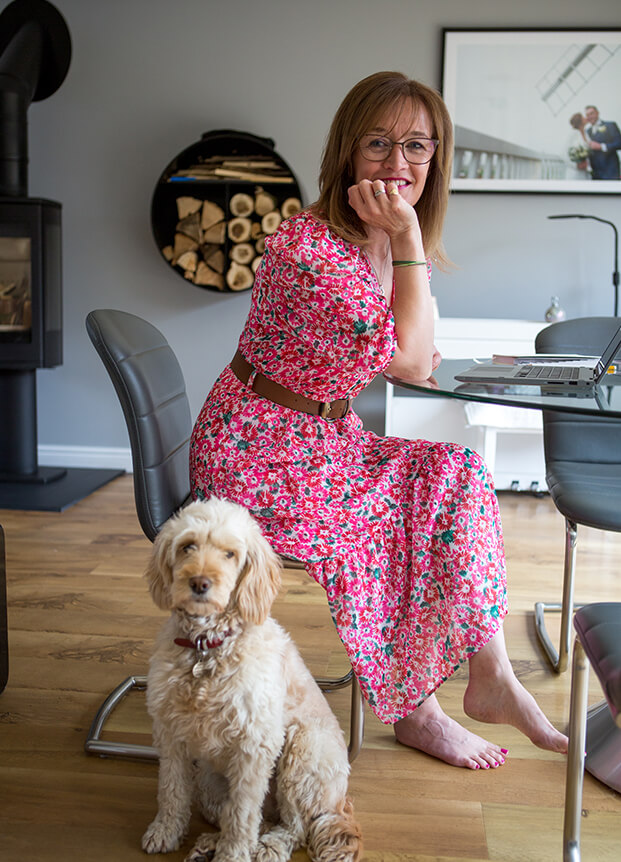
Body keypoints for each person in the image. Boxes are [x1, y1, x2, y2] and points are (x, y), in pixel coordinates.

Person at [190, 71, 568, 770]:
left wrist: (400, 243)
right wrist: (408, 237)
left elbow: (415, 352)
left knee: (452, 471)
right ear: (345, 153)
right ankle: (415, 710)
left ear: (437, 157)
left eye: (417, 147)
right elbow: (416, 363)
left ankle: (490, 676)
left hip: (321, 439)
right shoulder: (310, 251)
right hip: (257, 452)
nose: (398, 165)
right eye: (379, 144)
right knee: (388, 517)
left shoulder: (373, 240)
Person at [584, 104, 621, 180]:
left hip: (610, 172)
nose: (590, 116)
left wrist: (601, 146)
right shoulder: (587, 131)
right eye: (587, 115)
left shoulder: (610, 125)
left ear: (597, 113)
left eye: (592, 113)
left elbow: (619, 143)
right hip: (595, 174)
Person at [566, 112, 590, 178]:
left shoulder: (586, 133)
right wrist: (576, 165)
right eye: (583, 117)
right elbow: (564, 152)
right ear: (579, 121)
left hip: (585, 171)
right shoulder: (572, 134)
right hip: (575, 172)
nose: (586, 118)